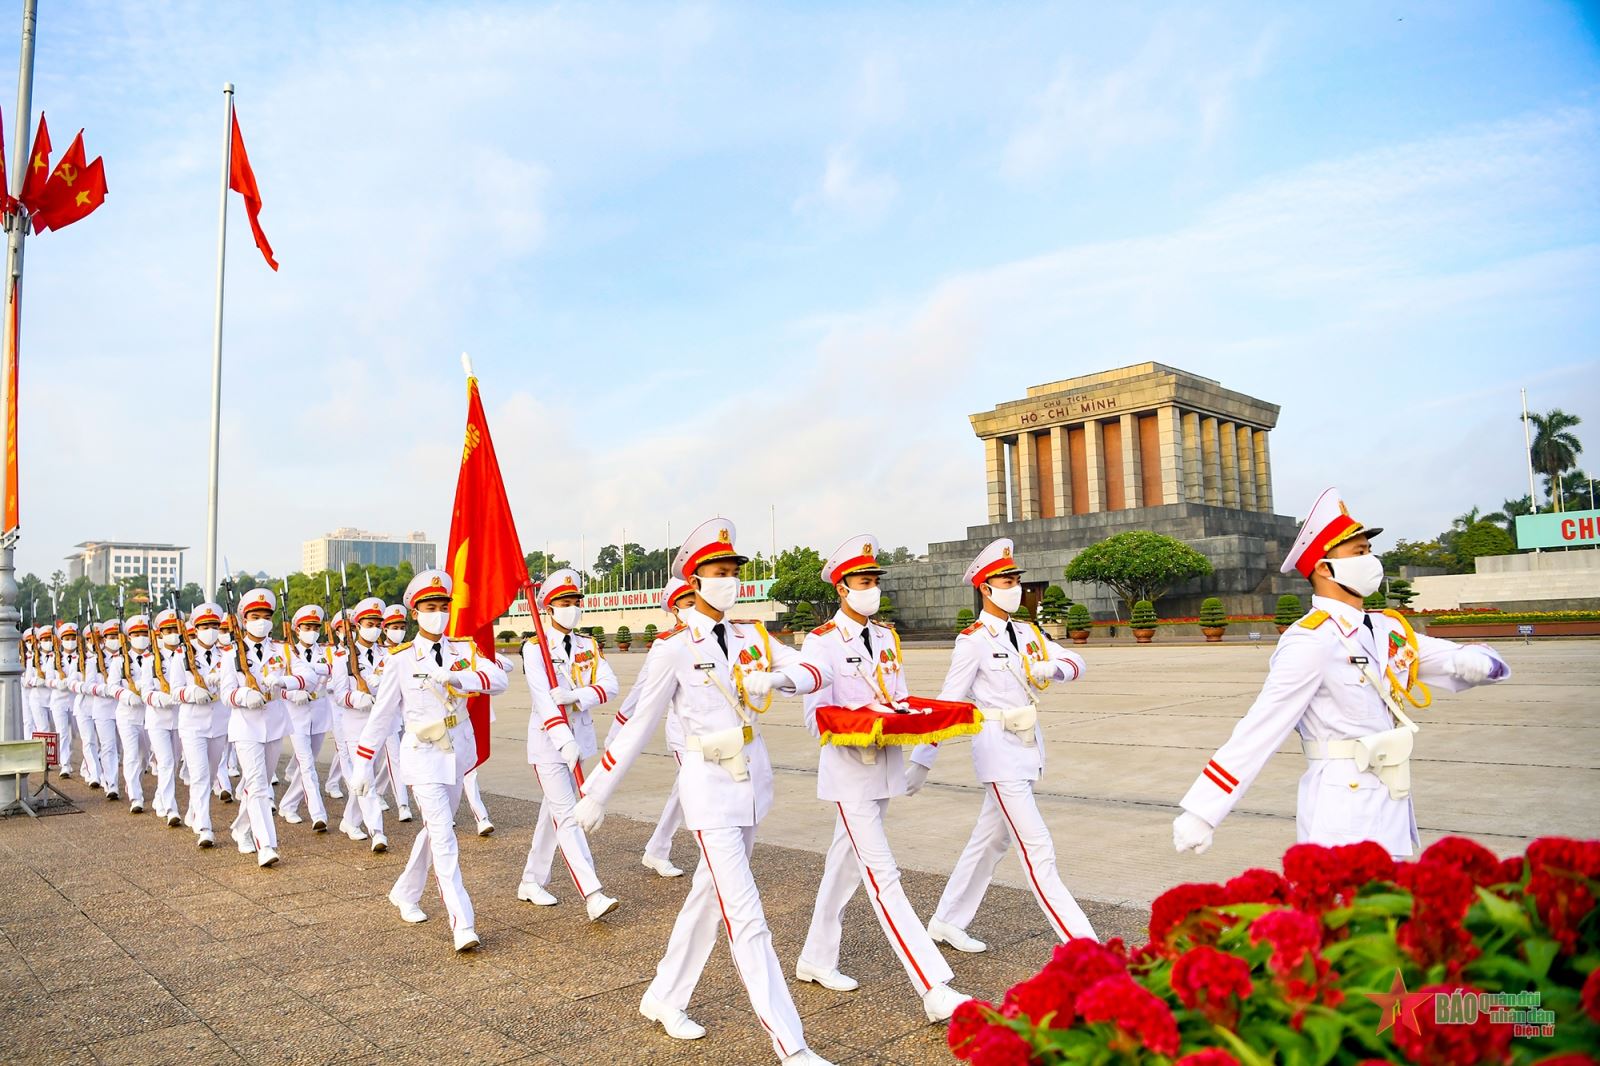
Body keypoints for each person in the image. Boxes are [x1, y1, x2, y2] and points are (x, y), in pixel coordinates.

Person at [575, 517, 834, 1066]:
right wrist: (598, 789)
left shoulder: (753, 636)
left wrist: (780, 679)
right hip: (708, 786)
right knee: (746, 915)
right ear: (693, 581)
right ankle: (793, 1047)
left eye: (734, 572)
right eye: (719, 572)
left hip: (752, 782)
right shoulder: (672, 648)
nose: (730, 582)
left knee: (707, 900)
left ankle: (665, 995)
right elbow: (638, 724)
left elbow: (817, 670)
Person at [1173, 487, 1512, 861]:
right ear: (1324, 567)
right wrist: (1204, 810)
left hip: (1391, 801)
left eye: (1370, 551)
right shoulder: (1310, 641)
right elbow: (1261, 727)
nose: (1372, 560)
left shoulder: (1386, 629)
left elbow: (1466, 660)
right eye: (1360, 553)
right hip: (1341, 811)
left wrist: (1479, 662)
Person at [795, 535, 972, 1022]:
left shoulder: (886, 637)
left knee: (844, 867)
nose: (871, 588)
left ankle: (815, 957)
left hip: (885, 769)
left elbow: (902, 699)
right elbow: (816, 719)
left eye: (875, 580)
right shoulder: (822, 642)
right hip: (850, 775)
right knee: (883, 875)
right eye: (862, 581)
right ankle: (933, 987)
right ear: (842, 588)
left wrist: (911, 731)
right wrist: (864, 715)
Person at [909, 537, 1097, 949]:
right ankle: (1084, 945)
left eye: (1016, 578)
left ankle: (946, 919)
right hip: (997, 750)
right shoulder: (973, 640)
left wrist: (1054, 666)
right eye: (1006, 579)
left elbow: (1077, 661)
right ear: (985, 588)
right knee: (1038, 847)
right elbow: (949, 701)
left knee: (991, 839)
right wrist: (922, 759)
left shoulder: (1028, 631)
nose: (1015, 586)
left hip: (1027, 745)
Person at [351, 569, 508, 952]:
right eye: (429, 607)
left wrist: (460, 678)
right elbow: (383, 715)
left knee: (437, 829)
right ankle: (463, 922)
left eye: (442, 606)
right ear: (415, 611)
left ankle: (405, 891)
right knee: (444, 836)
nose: (437, 613)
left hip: (457, 751)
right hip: (422, 754)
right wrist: (362, 763)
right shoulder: (401, 660)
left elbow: (499, 681)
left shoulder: (464, 650)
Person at [516, 568, 619, 918]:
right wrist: (562, 740)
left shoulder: (588, 645)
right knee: (566, 816)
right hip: (549, 743)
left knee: (553, 813)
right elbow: (544, 701)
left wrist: (577, 694)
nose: (571, 608)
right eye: (564, 602)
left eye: (576, 601)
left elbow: (610, 685)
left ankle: (531, 880)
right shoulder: (535, 649)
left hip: (581, 738)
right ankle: (593, 894)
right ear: (548, 607)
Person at [601, 578, 696, 878]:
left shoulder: (720, 636)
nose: (695, 607)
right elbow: (641, 688)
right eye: (688, 604)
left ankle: (657, 849)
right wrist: (618, 729)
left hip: (721, 734)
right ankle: (710, 854)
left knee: (684, 790)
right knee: (694, 789)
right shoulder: (667, 644)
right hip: (685, 734)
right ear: (675, 610)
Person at [220, 587, 314, 869]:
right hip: (246, 726)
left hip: (273, 725)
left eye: (266, 616)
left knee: (255, 783)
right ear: (244, 619)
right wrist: (243, 696)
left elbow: (308, 676)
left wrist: (285, 681)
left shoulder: (283, 649)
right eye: (255, 616)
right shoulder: (231, 654)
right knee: (260, 786)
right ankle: (267, 845)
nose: (261, 621)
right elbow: (226, 693)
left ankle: (240, 827)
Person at [328, 599, 390, 852]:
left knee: (366, 776)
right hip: (355, 725)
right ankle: (377, 831)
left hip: (379, 723)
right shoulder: (343, 657)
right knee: (366, 779)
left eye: (377, 624)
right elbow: (340, 695)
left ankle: (349, 821)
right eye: (369, 624)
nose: (373, 629)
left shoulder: (388, 655)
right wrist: (358, 698)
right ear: (357, 625)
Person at [173, 603, 230, 848]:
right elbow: (175, 691)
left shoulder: (227, 653)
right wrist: (191, 692)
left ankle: (193, 811)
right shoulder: (181, 654)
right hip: (193, 722)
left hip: (219, 720)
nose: (210, 630)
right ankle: (205, 827)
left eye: (214, 626)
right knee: (199, 774)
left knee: (211, 772)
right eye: (205, 626)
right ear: (195, 629)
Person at [278, 605, 333, 833]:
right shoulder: (286, 653)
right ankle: (318, 815)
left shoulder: (326, 651)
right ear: (297, 630)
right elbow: (278, 685)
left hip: (319, 713)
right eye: (306, 627)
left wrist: (313, 668)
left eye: (314, 627)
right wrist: (292, 693)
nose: (311, 631)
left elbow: (333, 670)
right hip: (297, 714)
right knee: (308, 765)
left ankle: (288, 805)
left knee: (305, 766)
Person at [139, 610, 187, 827]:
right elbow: (145, 692)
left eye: (175, 629)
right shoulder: (150, 659)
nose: (172, 634)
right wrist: (161, 699)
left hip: (179, 718)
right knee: (166, 762)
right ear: (159, 633)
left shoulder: (185, 655)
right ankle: (171, 808)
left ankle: (160, 797)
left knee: (174, 763)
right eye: (167, 630)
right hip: (157, 718)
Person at [113, 614, 154, 813]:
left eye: (144, 633)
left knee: (145, 756)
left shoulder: (155, 658)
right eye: (136, 634)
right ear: (129, 637)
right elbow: (111, 686)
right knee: (131, 754)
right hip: (127, 714)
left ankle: (133, 781)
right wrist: (125, 695)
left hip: (149, 714)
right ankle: (135, 796)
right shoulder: (120, 659)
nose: (141, 637)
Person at [47, 621, 82, 780]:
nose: (70, 640)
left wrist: (72, 682)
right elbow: (47, 680)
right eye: (67, 638)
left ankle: (85, 765)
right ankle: (65, 764)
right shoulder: (54, 657)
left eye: (72, 637)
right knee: (62, 732)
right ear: (61, 640)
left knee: (77, 734)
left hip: (75, 700)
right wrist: (57, 683)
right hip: (59, 700)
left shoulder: (81, 657)